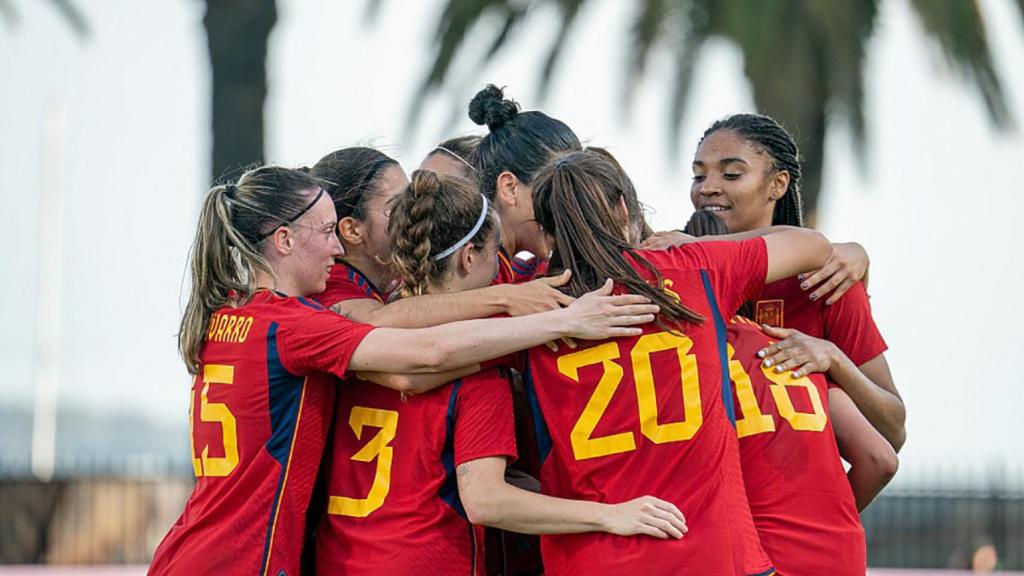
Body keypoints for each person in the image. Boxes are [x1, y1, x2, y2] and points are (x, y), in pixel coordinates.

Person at [148, 166, 660, 576]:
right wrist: (561, 322)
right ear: (282, 240)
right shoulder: (297, 326)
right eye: (328, 232)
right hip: (246, 561)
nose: (337, 248)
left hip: (197, 550)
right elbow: (425, 358)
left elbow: (406, 361)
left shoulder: (232, 315)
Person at [315, 170, 686, 575]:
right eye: (496, 253)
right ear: (468, 257)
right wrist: (609, 514)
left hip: (340, 559)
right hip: (424, 560)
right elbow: (486, 500)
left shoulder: (362, 346)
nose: (502, 268)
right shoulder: (479, 374)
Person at [518, 150, 833, 574]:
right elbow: (814, 246)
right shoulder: (694, 269)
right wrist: (701, 244)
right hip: (714, 555)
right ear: (623, 208)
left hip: (594, 561)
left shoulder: (531, 306)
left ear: (547, 233)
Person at [644, 113, 906, 452]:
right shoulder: (668, 269)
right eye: (698, 175)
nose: (707, 186)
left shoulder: (825, 282)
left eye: (732, 174)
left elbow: (893, 432)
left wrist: (833, 359)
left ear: (778, 184)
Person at [684, 210, 898, 575]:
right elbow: (881, 459)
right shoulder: (799, 354)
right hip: (839, 554)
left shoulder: (684, 362)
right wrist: (823, 517)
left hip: (758, 559)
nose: (708, 187)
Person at [310, 146, 572, 325]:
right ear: (352, 230)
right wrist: (508, 299)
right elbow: (380, 323)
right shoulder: (331, 283)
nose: (413, 209)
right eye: (396, 205)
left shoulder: (388, 279)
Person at [469, 84, 583, 283]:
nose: (572, 209)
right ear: (509, 188)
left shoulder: (507, 271)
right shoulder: (475, 271)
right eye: (555, 192)